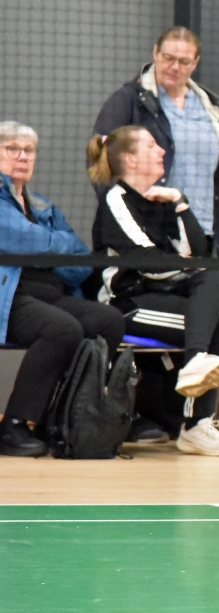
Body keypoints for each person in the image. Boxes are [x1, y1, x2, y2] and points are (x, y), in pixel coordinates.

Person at [87, 125, 219, 457]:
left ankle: (197, 417)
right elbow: (146, 261)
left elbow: (201, 253)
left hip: (164, 293)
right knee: (217, 319)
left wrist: (180, 203)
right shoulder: (116, 200)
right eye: (152, 145)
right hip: (127, 303)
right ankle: (194, 419)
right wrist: (187, 264)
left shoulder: (164, 200)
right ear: (130, 159)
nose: (162, 151)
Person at [0, 122, 127, 457]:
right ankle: (13, 425)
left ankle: (59, 418)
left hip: (51, 292)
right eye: (12, 149)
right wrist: (55, 247)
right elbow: (21, 239)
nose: (23, 156)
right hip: (9, 297)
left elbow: (80, 261)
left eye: (29, 150)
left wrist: (48, 250)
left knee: (108, 321)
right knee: (61, 329)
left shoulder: (43, 206)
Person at [94, 27, 219, 253]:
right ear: (156, 53)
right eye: (168, 58)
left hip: (202, 229)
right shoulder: (129, 100)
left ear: (195, 63)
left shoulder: (210, 107)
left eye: (184, 61)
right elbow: (101, 159)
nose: (175, 67)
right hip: (156, 232)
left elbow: (218, 175)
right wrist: (128, 213)